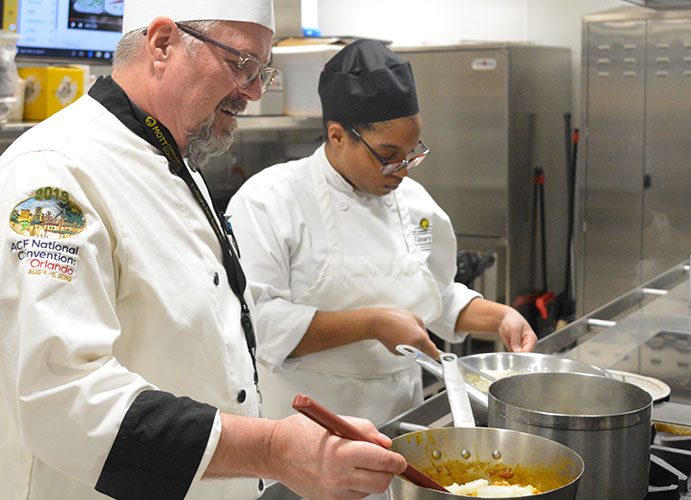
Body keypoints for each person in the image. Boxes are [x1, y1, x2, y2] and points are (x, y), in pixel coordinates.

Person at [0, 3, 409, 500]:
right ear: (162, 43)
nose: (254, 91)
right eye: (241, 64)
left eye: (262, 72)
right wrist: (271, 448)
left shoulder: (174, 160)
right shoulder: (50, 179)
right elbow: (64, 400)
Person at [227, 40, 538, 424]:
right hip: (306, 422)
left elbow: (437, 294)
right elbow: (259, 323)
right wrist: (372, 324)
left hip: (402, 416)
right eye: (388, 156)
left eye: (411, 153)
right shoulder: (269, 200)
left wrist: (501, 317)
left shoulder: (416, 204)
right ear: (337, 135)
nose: (403, 170)